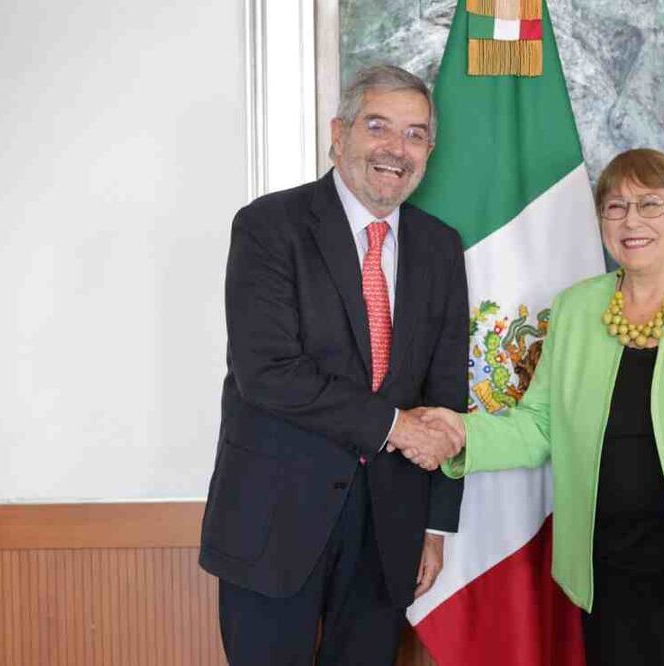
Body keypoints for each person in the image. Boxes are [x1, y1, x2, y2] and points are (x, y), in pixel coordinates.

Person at [424, 148, 664, 666]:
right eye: (615, 207)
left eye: (650, 204)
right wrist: (461, 435)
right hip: (611, 568)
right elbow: (539, 425)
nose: (631, 220)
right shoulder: (575, 309)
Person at [199, 64, 468, 666]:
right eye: (379, 126)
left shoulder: (440, 246)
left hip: (389, 532)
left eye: (416, 134)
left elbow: (448, 389)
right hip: (272, 523)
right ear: (338, 132)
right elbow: (267, 371)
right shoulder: (270, 226)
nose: (396, 149)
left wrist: (434, 525)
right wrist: (396, 426)